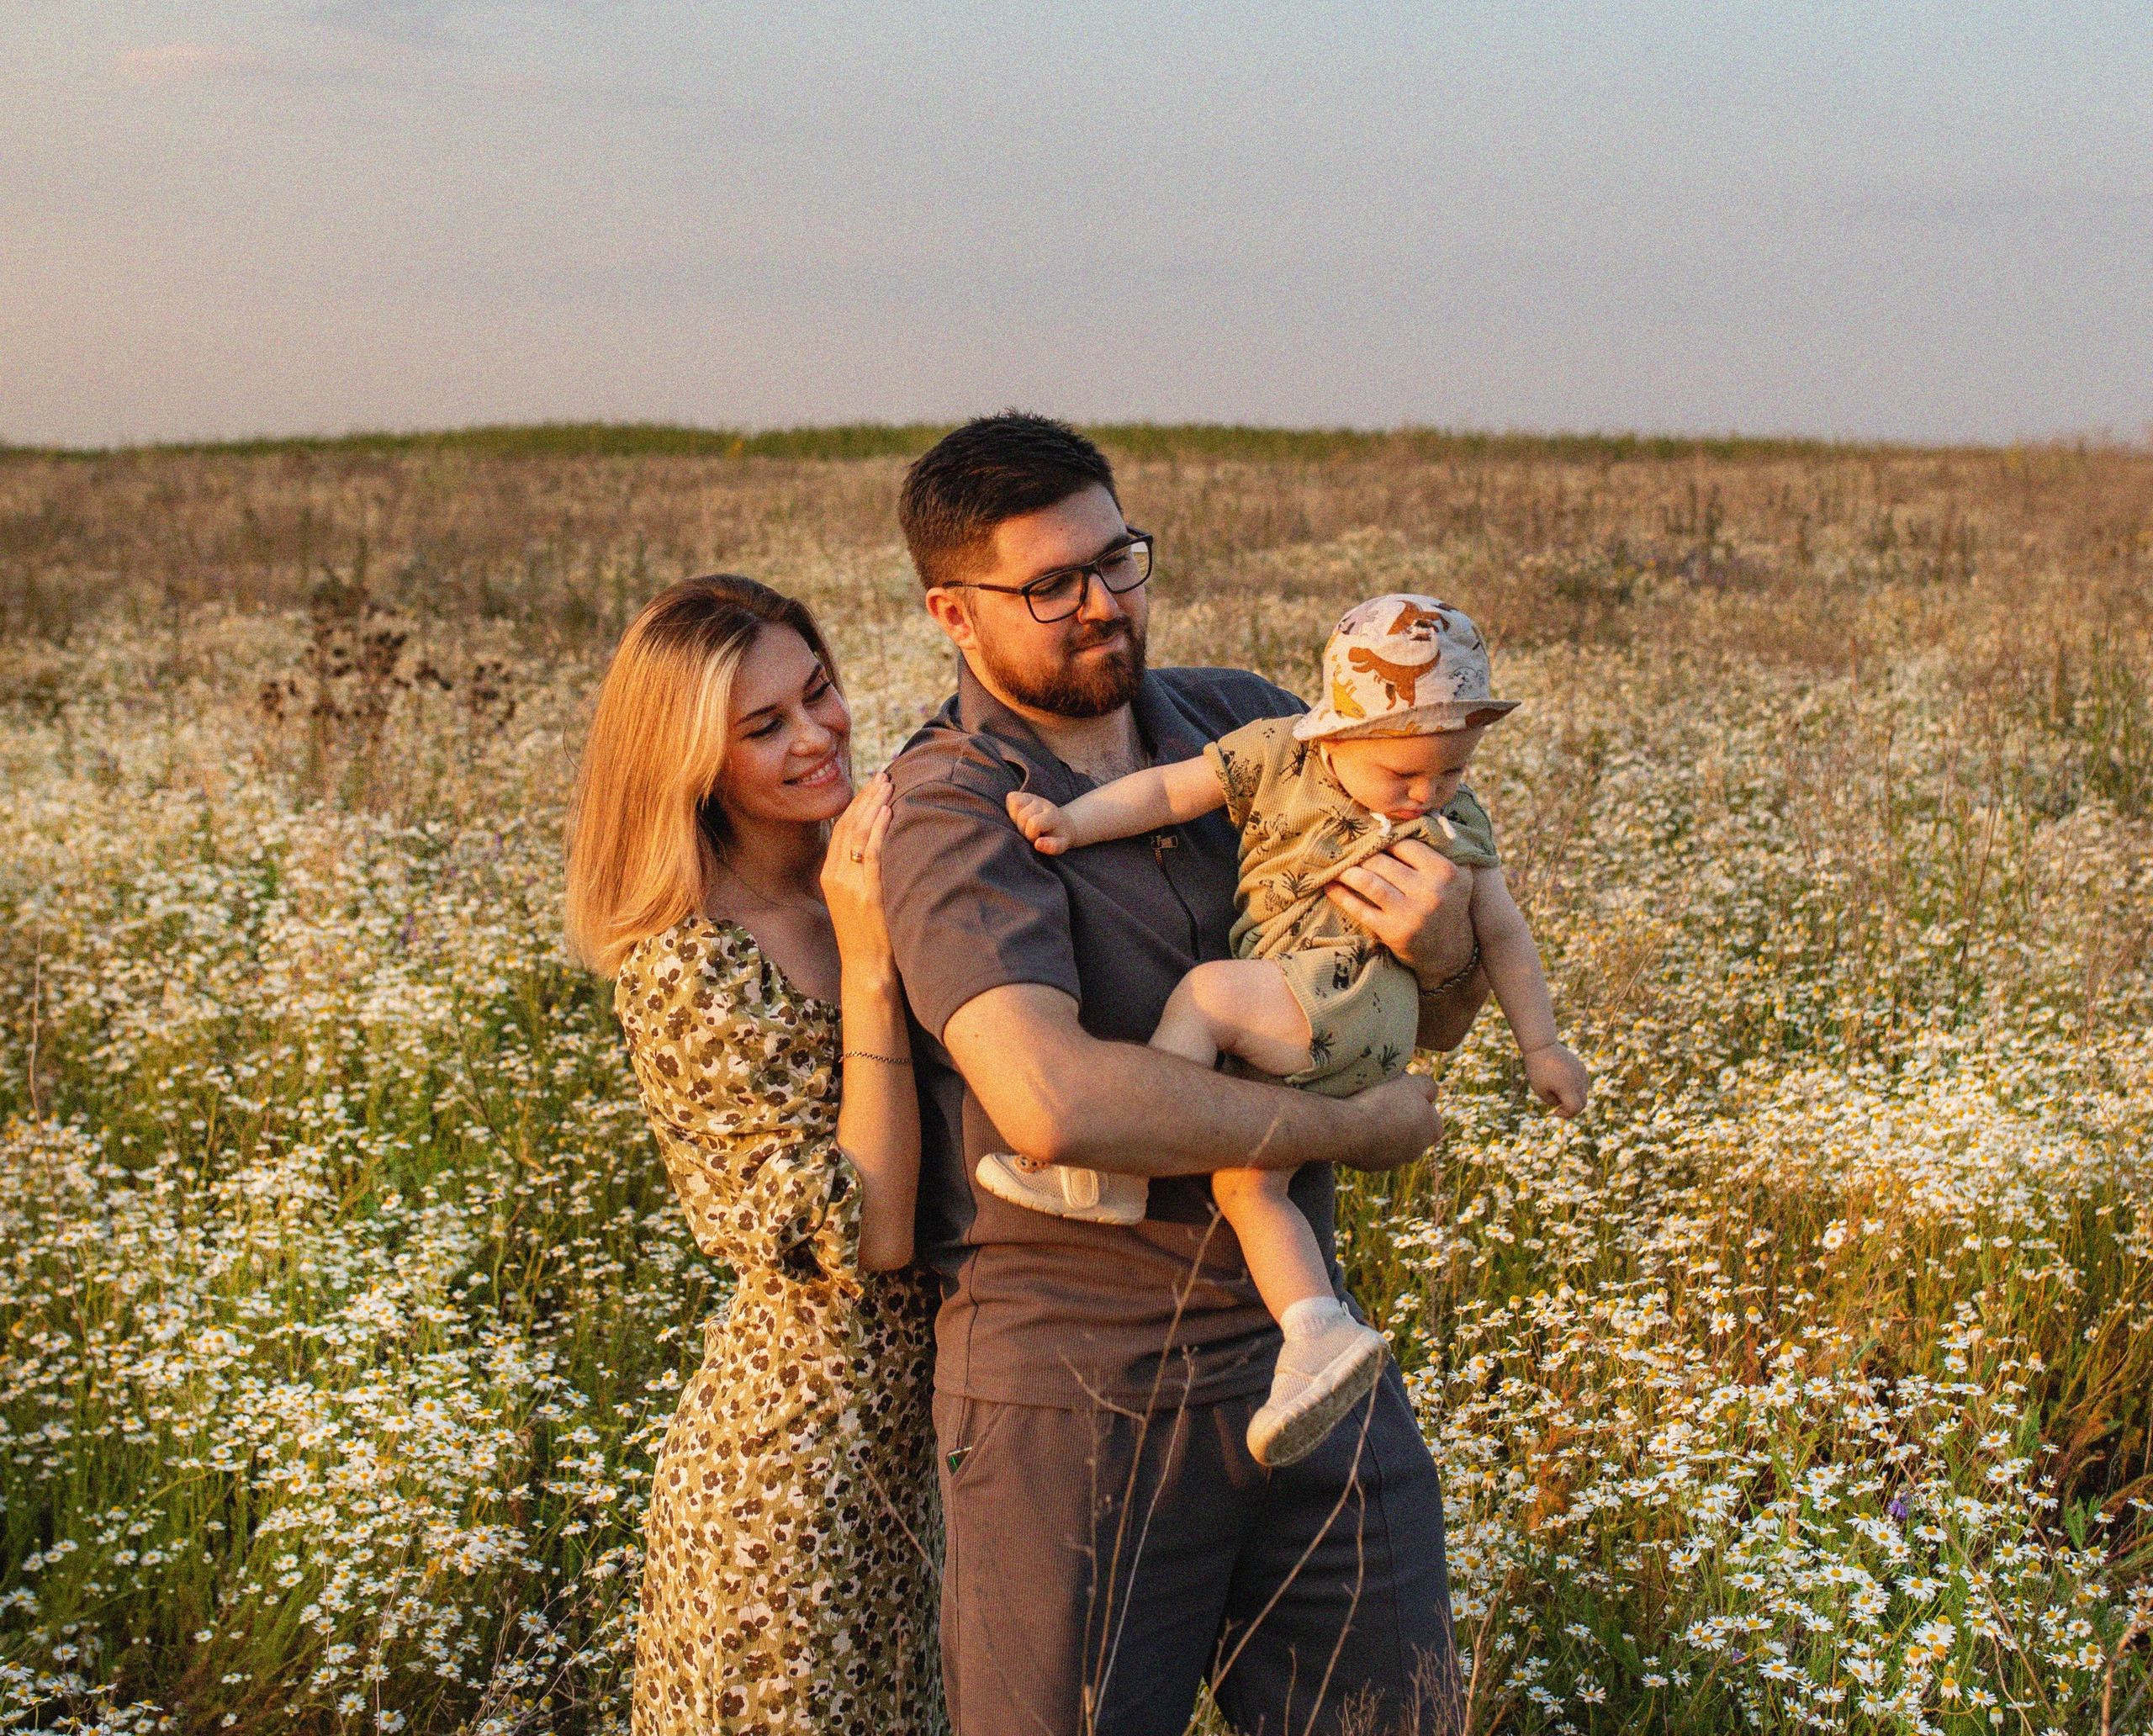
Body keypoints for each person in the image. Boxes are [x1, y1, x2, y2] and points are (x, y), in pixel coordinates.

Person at [877, 415, 1489, 1736]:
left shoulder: (1248, 723)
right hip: (1080, 1399)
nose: (1104, 605)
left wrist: (1447, 955)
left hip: (1309, 1360)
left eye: (1121, 560)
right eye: (1051, 585)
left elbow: (1409, 1026)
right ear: (954, 613)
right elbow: (1053, 1100)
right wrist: (1362, 1133)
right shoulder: (950, 809)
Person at [991, 591, 1592, 1468]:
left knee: (1203, 995)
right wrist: (1072, 822)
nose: (1425, 797)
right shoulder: (1279, 753)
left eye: (1451, 773)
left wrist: (1541, 1044)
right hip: (1339, 1029)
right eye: (1405, 777)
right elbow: (1168, 790)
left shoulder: (1443, 818)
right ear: (1336, 736)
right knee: (1249, 1184)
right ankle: (1316, 1332)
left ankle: (1115, 1172)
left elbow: (1500, 928)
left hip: (1341, 1002)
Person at [563, 575, 943, 1736]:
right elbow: (867, 1234)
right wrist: (872, 967)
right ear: (694, 765)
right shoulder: (692, 965)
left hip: (936, 1444)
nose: (818, 735)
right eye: (764, 727)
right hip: (798, 1479)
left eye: (818, 692)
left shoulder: (880, 855)